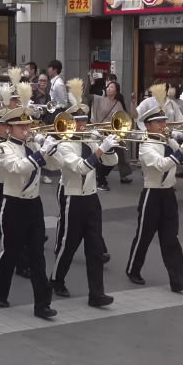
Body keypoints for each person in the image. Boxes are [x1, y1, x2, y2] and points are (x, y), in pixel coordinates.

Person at [49, 83, 118, 307]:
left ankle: (96, 294)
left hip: (91, 197)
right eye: (77, 121)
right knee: (69, 244)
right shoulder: (65, 145)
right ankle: (56, 279)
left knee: (95, 247)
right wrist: (100, 149)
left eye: (84, 121)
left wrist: (108, 146)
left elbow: (111, 162)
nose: (82, 125)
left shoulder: (90, 138)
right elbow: (81, 167)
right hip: (72, 197)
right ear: (69, 123)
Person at [0, 93, 57, 319]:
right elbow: (18, 167)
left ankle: (42, 304)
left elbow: (56, 164)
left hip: (34, 204)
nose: (26, 129)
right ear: (9, 128)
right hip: (13, 205)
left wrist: (52, 149)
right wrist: (41, 153)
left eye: (28, 124)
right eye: (20, 126)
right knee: (11, 251)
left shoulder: (34, 144)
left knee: (37, 254)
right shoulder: (5, 147)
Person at [125, 107, 183, 290]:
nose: (163, 125)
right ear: (148, 125)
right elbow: (162, 165)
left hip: (168, 194)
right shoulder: (146, 146)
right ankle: (133, 269)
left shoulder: (169, 140)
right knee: (144, 236)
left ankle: (178, 280)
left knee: (171, 237)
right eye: (159, 122)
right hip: (152, 193)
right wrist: (181, 148)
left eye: (164, 121)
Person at [91, 81, 132, 188]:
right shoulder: (99, 99)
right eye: (108, 87)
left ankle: (101, 176)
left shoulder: (118, 104)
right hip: (100, 132)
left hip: (113, 133)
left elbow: (123, 118)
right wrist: (91, 82)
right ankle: (101, 180)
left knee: (115, 157)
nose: (109, 88)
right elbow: (87, 95)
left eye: (112, 87)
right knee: (102, 155)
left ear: (116, 91)